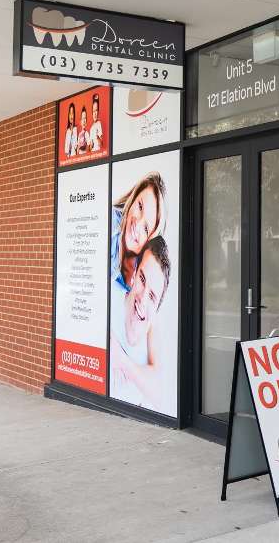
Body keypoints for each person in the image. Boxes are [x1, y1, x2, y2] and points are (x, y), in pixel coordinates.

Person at [110, 236, 171, 410]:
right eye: (143, 280)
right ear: (135, 271)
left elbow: (160, 392)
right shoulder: (110, 296)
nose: (142, 300)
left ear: (157, 307)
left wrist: (120, 359)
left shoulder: (152, 329)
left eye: (152, 296)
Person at [111, 172, 167, 290]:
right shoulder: (110, 225)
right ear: (132, 200)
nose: (138, 223)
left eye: (146, 229)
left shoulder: (142, 276)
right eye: (140, 206)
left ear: (149, 243)